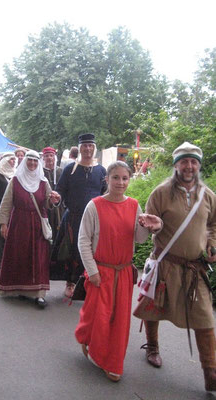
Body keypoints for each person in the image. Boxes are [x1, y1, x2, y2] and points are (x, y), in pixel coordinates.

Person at [133, 142, 216, 392]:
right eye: (184, 161)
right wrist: (155, 226)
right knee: (152, 308)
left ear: (198, 165)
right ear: (176, 165)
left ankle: (210, 371)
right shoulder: (160, 193)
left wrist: (212, 244)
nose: (189, 166)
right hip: (165, 265)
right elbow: (148, 225)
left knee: (205, 318)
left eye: (193, 161)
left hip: (194, 270)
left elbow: (213, 225)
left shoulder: (209, 195)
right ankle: (153, 346)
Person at [75, 161, 162, 381]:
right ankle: (96, 351)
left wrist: (149, 228)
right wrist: (92, 271)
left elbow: (139, 239)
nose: (120, 182)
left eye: (125, 178)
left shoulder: (134, 205)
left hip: (123, 272)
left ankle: (112, 361)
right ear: (107, 180)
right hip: (101, 272)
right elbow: (83, 241)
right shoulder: (94, 205)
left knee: (120, 320)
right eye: (116, 178)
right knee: (100, 316)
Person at [0, 150, 61, 308]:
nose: (32, 163)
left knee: (38, 257)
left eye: (35, 161)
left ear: (38, 163)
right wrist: (4, 224)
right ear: (25, 161)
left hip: (37, 224)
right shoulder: (16, 181)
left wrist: (53, 200)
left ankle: (39, 294)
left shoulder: (43, 182)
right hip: (19, 223)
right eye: (29, 160)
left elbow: (47, 203)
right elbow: (6, 203)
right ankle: (20, 288)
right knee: (20, 255)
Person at [52, 133, 107, 298]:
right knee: (72, 251)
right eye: (85, 146)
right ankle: (70, 283)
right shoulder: (70, 169)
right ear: (80, 148)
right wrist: (57, 197)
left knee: (92, 251)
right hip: (74, 218)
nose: (88, 149)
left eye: (91, 145)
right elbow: (60, 190)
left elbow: (105, 194)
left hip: (94, 220)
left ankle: (86, 283)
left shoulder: (101, 170)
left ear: (94, 148)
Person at [42, 146, 64, 242]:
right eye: (47, 156)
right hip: (46, 206)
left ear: (55, 157)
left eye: (51, 155)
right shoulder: (40, 172)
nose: (49, 158)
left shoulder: (60, 171)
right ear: (43, 158)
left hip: (59, 206)